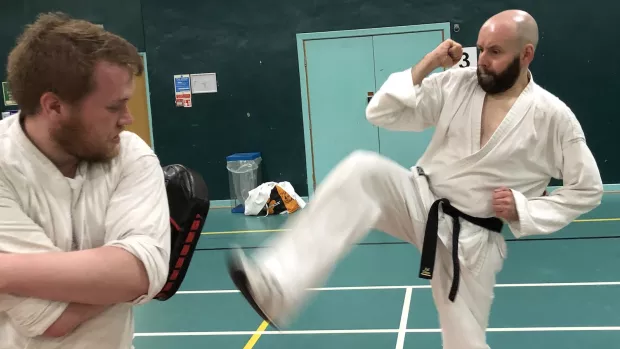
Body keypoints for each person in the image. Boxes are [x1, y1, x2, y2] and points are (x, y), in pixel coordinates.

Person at [227, 9, 603, 349]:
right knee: (364, 171)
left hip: (472, 243)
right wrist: (429, 63)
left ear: (526, 55)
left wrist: (525, 208)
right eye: (482, 48)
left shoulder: (553, 117)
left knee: (465, 343)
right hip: (423, 202)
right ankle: (276, 284)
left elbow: (587, 190)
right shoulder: (460, 83)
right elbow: (382, 112)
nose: (483, 61)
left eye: (495, 52)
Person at [0, 12, 170, 348]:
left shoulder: (131, 155)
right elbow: (50, 319)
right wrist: (119, 279)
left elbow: (139, 272)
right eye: (114, 106)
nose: (128, 119)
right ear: (55, 106)